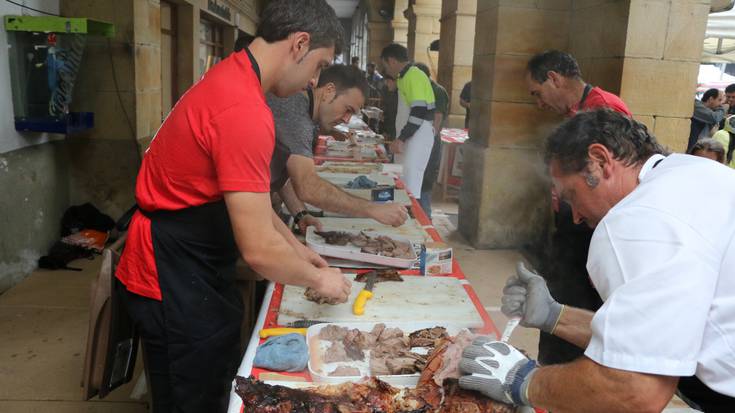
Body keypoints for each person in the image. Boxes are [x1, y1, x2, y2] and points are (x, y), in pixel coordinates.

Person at [114, 1, 351, 412]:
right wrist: (319, 282)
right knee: (190, 396)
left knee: (217, 371)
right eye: (319, 65)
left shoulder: (233, 77)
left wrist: (300, 253)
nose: (315, 81)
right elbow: (258, 251)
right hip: (172, 272)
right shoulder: (242, 109)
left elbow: (254, 202)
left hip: (194, 266)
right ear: (299, 43)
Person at [459, 109, 735, 412]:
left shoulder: (635, 220)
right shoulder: (695, 173)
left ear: (600, 161)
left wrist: (523, 380)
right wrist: (555, 316)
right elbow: (649, 338)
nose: (575, 216)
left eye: (571, 195)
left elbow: (635, 388)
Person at [524, 49, 631, 366]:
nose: (538, 103)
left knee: (577, 299)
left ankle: (569, 372)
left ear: (554, 79)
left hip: (590, 229)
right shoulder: (575, 113)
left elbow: (604, 185)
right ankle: (552, 367)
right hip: (573, 225)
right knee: (559, 292)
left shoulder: (603, 110)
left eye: (537, 92)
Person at [266, 64, 408, 230]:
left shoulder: (305, 112)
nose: (347, 120)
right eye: (347, 109)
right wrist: (372, 209)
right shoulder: (297, 115)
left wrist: (300, 213)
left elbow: (283, 172)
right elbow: (308, 187)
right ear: (328, 91)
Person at [380, 43, 436, 200]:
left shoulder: (414, 75)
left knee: (410, 185)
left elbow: (419, 111)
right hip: (410, 136)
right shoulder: (403, 77)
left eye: (385, 65)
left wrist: (401, 138)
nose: (386, 70)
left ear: (391, 60)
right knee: (400, 181)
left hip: (417, 136)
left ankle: (410, 220)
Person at [414, 62, 449, 218]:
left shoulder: (437, 91)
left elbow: (437, 118)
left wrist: (426, 141)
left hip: (430, 142)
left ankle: (426, 218)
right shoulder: (422, 89)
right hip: (421, 140)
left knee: (425, 180)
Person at [381, 75, 398, 139]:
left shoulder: (399, 96)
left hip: (395, 132)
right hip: (389, 130)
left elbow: (393, 115)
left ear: (395, 81)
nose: (386, 84)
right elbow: (389, 111)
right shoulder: (391, 93)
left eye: (388, 82)